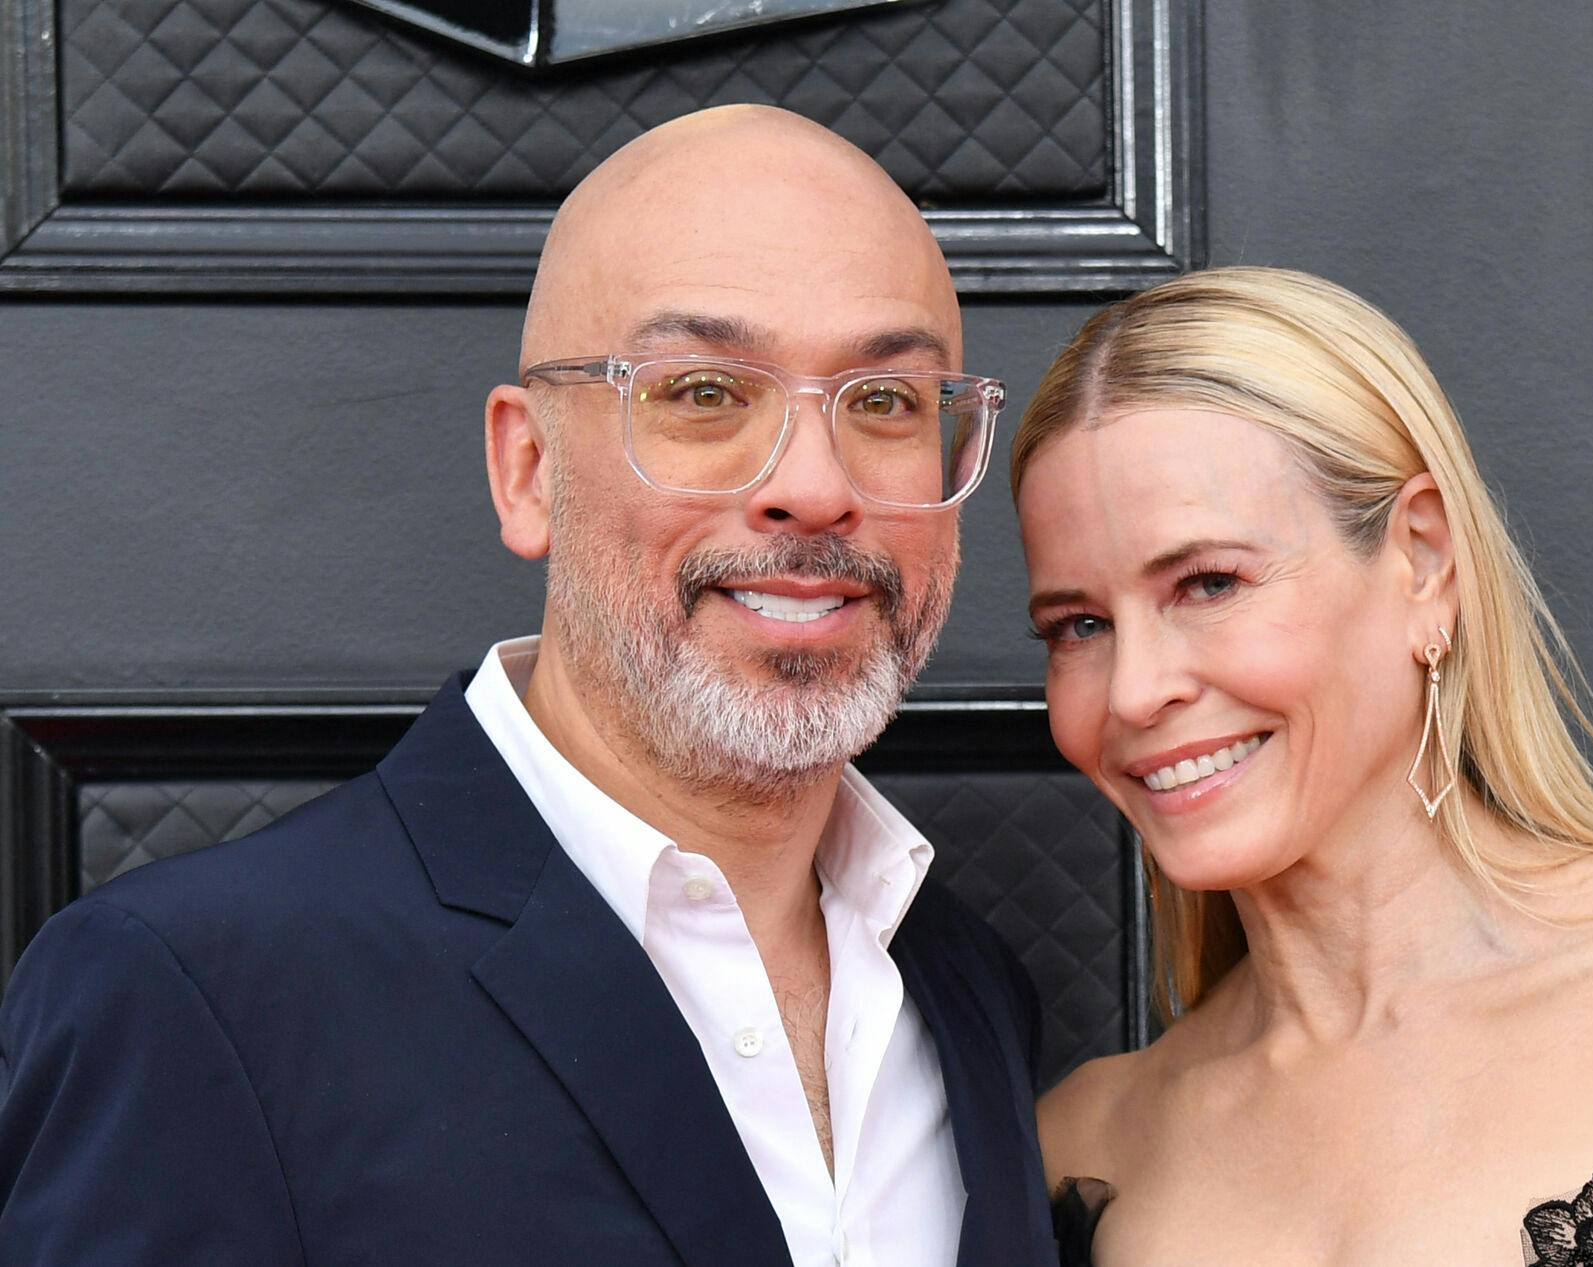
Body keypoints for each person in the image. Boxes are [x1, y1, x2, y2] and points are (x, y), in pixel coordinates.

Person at [0, 106, 1057, 1266]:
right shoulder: (193, 993)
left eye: (884, 402)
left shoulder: (968, 991)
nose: (813, 486)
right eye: (704, 392)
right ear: (528, 468)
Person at [1013, 267, 1593, 1265]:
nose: (1134, 690)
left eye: (1209, 582)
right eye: (1080, 624)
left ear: (1425, 561)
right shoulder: (1082, 1145)